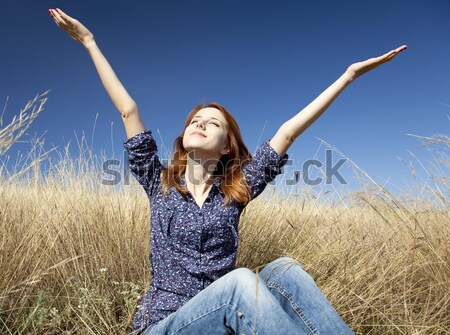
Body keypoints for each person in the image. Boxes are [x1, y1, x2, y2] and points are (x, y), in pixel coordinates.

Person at [49, 7, 407, 335]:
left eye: (213, 123)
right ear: (185, 134)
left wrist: (348, 76)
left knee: (284, 270)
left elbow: (288, 132)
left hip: (224, 320)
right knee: (239, 284)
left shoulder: (235, 192)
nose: (200, 123)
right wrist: (89, 42)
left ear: (226, 146)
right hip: (163, 325)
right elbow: (128, 109)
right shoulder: (158, 182)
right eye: (195, 121)